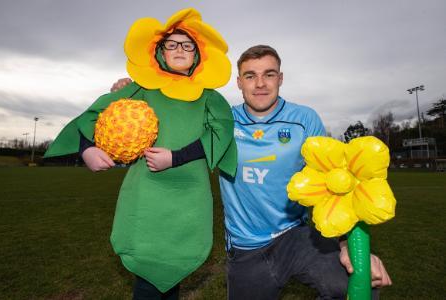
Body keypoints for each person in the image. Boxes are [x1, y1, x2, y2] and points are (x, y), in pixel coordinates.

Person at [111, 45, 392, 299]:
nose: (260, 84)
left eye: (269, 75)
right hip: (245, 247)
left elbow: (337, 182)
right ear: (239, 82)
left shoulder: (304, 119)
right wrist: (132, 99)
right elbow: (171, 120)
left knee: (362, 282)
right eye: (250, 76)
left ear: (280, 79)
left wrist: (349, 245)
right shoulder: (221, 119)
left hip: (296, 236)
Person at [45, 8, 236, 300]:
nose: (180, 49)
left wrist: (176, 157)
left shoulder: (210, 97)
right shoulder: (141, 89)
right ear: (159, 52)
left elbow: (220, 133)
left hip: (189, 198)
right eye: (172, 44)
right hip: (146, 196)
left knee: (173, 268)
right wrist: (88, 149)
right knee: (147, 276)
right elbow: (97, 115)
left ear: (199, 54)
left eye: (187, 44)